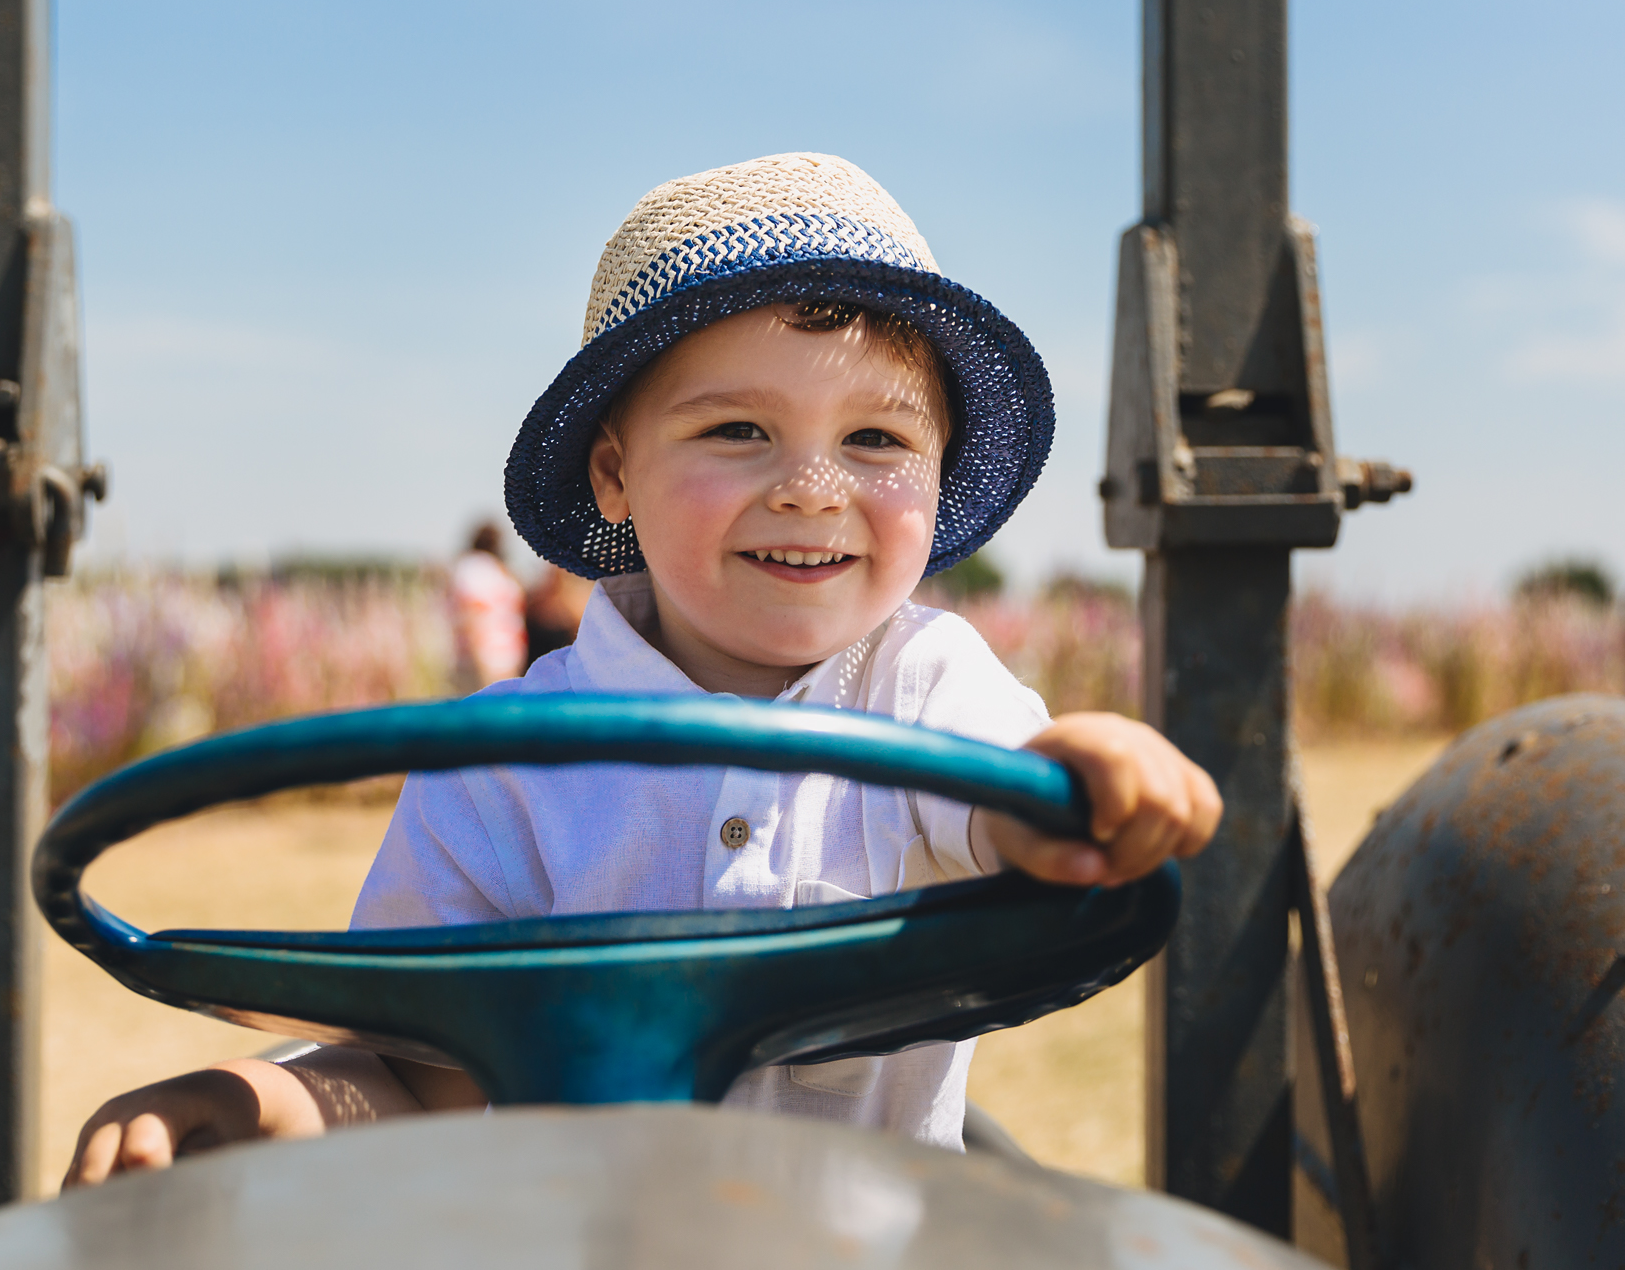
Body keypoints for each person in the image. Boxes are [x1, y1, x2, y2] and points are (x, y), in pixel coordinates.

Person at [64, 153, 1221, 1185]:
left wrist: (1084, 776)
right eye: (736, 431)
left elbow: (1013, 807)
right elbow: (415, 1075)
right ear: (615, 476)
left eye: (875, 439)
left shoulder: (920, 688)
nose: (812, 488)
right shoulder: (502, 766)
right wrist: (256, 1099)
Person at [450, 522, 528, 689]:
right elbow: (472, 616)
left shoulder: (486, 569)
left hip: (499, 659)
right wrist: (480, 662)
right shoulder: (476, 568)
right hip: (487, 660)